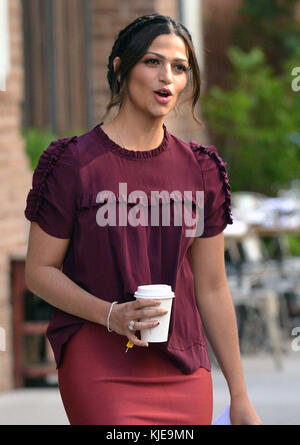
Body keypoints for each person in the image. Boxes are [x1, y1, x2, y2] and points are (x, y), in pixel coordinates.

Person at [24, 13, 262, 425]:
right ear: (121, 67)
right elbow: (39, 271)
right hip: (98, 360)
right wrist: (110, 313)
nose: (166, 77)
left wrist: (239, 395)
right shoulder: (74, 162)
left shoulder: (201, 169)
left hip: (182, 366)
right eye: (152, 62)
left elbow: (212, 287)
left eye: (179, 67)